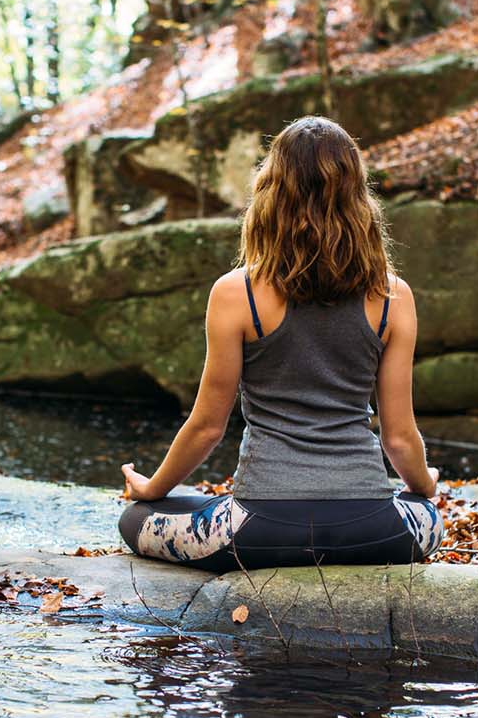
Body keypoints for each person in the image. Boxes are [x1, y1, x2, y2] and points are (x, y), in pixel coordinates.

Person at [118, 116, 443, 573]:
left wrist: (152, 489)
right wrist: (424, 486)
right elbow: (398, 436)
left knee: (136, 519)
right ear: (357, 195)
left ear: (271, 191)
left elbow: (208, 427)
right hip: (371, 529)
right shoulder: (392, 297)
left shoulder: (236, 293)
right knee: (427, 517)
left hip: (261, 529)